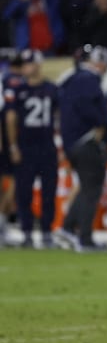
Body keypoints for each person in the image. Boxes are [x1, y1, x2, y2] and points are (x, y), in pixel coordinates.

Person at [55, 44, 107, 251]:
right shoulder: (88, 79)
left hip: (74, 141)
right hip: (85, 140)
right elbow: (89, 107)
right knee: (91, 190)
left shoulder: (74, 79)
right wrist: (101, 125)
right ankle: (84, 238)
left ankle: (68, 228)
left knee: (87, 188)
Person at [4, 49, 58, 248]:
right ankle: (27, 232)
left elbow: (59, 117)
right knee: (24, 192)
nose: (25, 67)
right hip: (26, 147)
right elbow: (11, 119)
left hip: (47, 146)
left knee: (48, 192)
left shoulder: (52, 89)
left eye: (28, 63)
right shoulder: (17, 89)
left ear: (37, 65)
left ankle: (46, 232)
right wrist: (13, 146)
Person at [0, 52, 25, 244]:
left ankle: (3, 225)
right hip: (7, 139)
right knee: (15, 178)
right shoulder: (13, 82)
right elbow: (8, 116)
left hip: (8, 138)